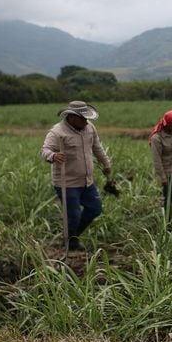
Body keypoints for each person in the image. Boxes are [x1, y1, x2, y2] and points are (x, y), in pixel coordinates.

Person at [41, 100, 111, 251]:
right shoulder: (57, 132)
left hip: (87, 181)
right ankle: (70, 243)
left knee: (95, 208)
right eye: (83, 118)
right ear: (72, 117)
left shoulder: (89, 128)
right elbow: (45, 150)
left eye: (87, 118)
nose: (86, 121)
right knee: (73, 215)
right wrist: (53, 156)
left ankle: (71, 237)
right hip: (67, 182)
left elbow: (97, 147)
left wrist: (106, 164)